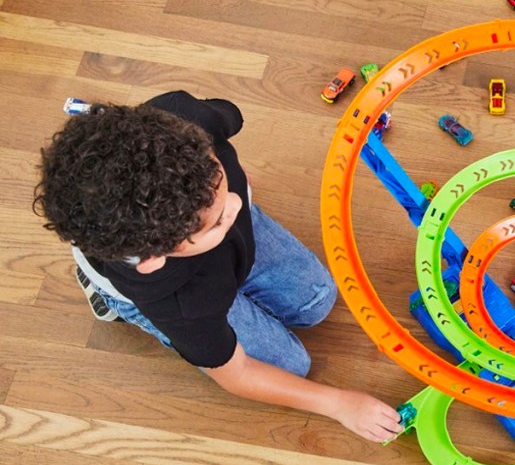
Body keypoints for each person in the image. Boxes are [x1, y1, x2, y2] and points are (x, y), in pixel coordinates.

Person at [33, 90, 403, 443]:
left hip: (208, 256)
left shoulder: (179, 122)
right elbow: (237, 373)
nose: (234, 205)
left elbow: (225, 116)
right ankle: (108, 297)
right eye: (216, 221)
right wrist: (337, 404)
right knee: (289, 366)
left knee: (316, 299)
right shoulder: (177, 302)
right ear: (155, 256)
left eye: (218, 176)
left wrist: (223, 204)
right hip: (176, 287)